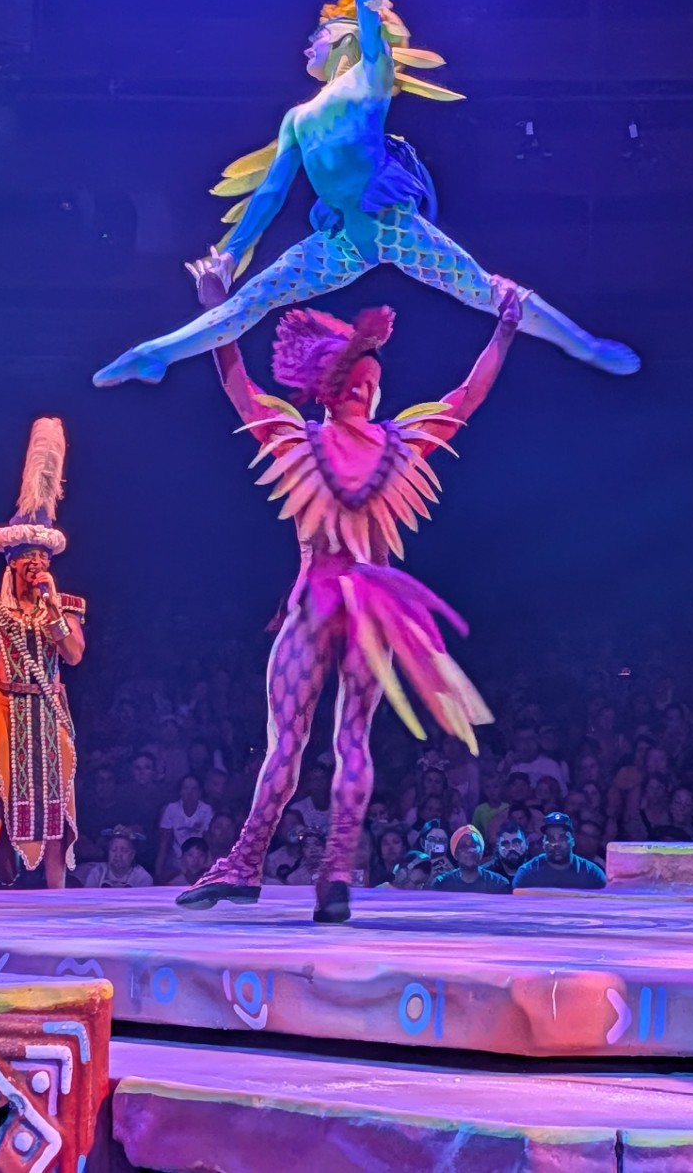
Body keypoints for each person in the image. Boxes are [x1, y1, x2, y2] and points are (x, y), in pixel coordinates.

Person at [94, 0, 637, 388]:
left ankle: (581, 343)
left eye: (318, 33)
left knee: (483, 290)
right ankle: (155, 353)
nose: (308, 42)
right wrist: (233, 256)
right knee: (254, 297)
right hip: (344, 243)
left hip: (391, 223)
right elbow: (270, 194)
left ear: (345, 37)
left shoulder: (370, 79)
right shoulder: (298, 117)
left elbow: (370, 11)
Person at [173, 260, 521, 925]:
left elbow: (237, 384)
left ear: (327, 392)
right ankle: (334, 875)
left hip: (315, 602)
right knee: (352, 739)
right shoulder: (401, 444)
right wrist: (503, 331)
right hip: (374, 608)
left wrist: (217, 303)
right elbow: (465, 399)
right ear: (371, 388)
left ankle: (246, 863)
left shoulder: (297, 439)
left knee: (287, 742)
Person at [0, 418, 88, 889]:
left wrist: (52, 610)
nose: (36, 565)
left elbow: (73, 656)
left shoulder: (66, 606)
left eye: (42, 559)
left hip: (47, 710)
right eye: (28, 559)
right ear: (12, 564)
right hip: (2, 708)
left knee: (54, 801)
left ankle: (56, 893)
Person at [512, 813, 608, 891]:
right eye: (551, 838)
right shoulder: (527, 873)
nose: (556, 844)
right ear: (543, 843)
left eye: (562, 838)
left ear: (573, 841)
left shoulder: (592, 874)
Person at [156, 775, 213, 882]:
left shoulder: (206, 810)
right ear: (180, 791)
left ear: (200, 792)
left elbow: (207, 839)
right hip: (175, 861)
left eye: (194, 789)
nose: (189, 792)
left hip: (199, 859)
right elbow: (164, 842)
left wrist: (208, 864)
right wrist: (158, 872)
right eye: (186, 788)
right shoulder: (171, 809)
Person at [429, 825, 511, 894]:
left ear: (481, 851)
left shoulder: (498, 884)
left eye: (474, 845)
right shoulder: (442, 884)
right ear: (455, 854)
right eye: (464, 846)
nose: (470, 850)